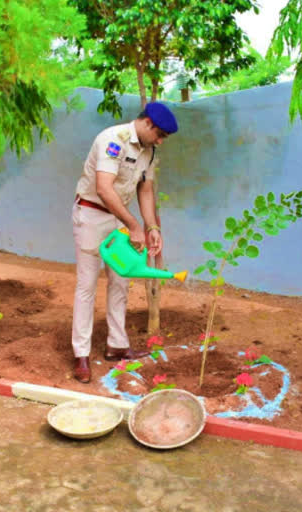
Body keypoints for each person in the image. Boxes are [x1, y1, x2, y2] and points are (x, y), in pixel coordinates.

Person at [71, 102, 178, 383]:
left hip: (121, 220)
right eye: (161, 135)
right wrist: (133, 226)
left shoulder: (149, 151)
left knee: (121, 280)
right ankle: (81, 354)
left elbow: (145, 189)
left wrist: (151, 225)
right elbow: (104, 188)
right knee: (87, 284)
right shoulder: (112, 140)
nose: (161, 142)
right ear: (148, 125)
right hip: (93, 214)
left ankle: (116, 345)